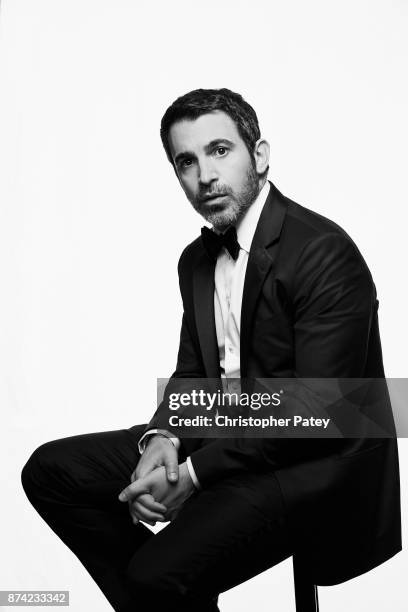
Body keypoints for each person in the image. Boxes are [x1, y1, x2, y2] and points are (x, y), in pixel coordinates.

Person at [21, 88, 401, 612]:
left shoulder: (323, 251)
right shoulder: (194, 262)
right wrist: (164, 438)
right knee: (52, 472)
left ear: (260, 155)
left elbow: (314, 412)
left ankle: (162, 587)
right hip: (229, 433)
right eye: (187, 161)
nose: (205, 175)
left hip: (313, 461)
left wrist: (191, 476)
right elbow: (194, 371)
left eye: (220, 150)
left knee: (156, 577)